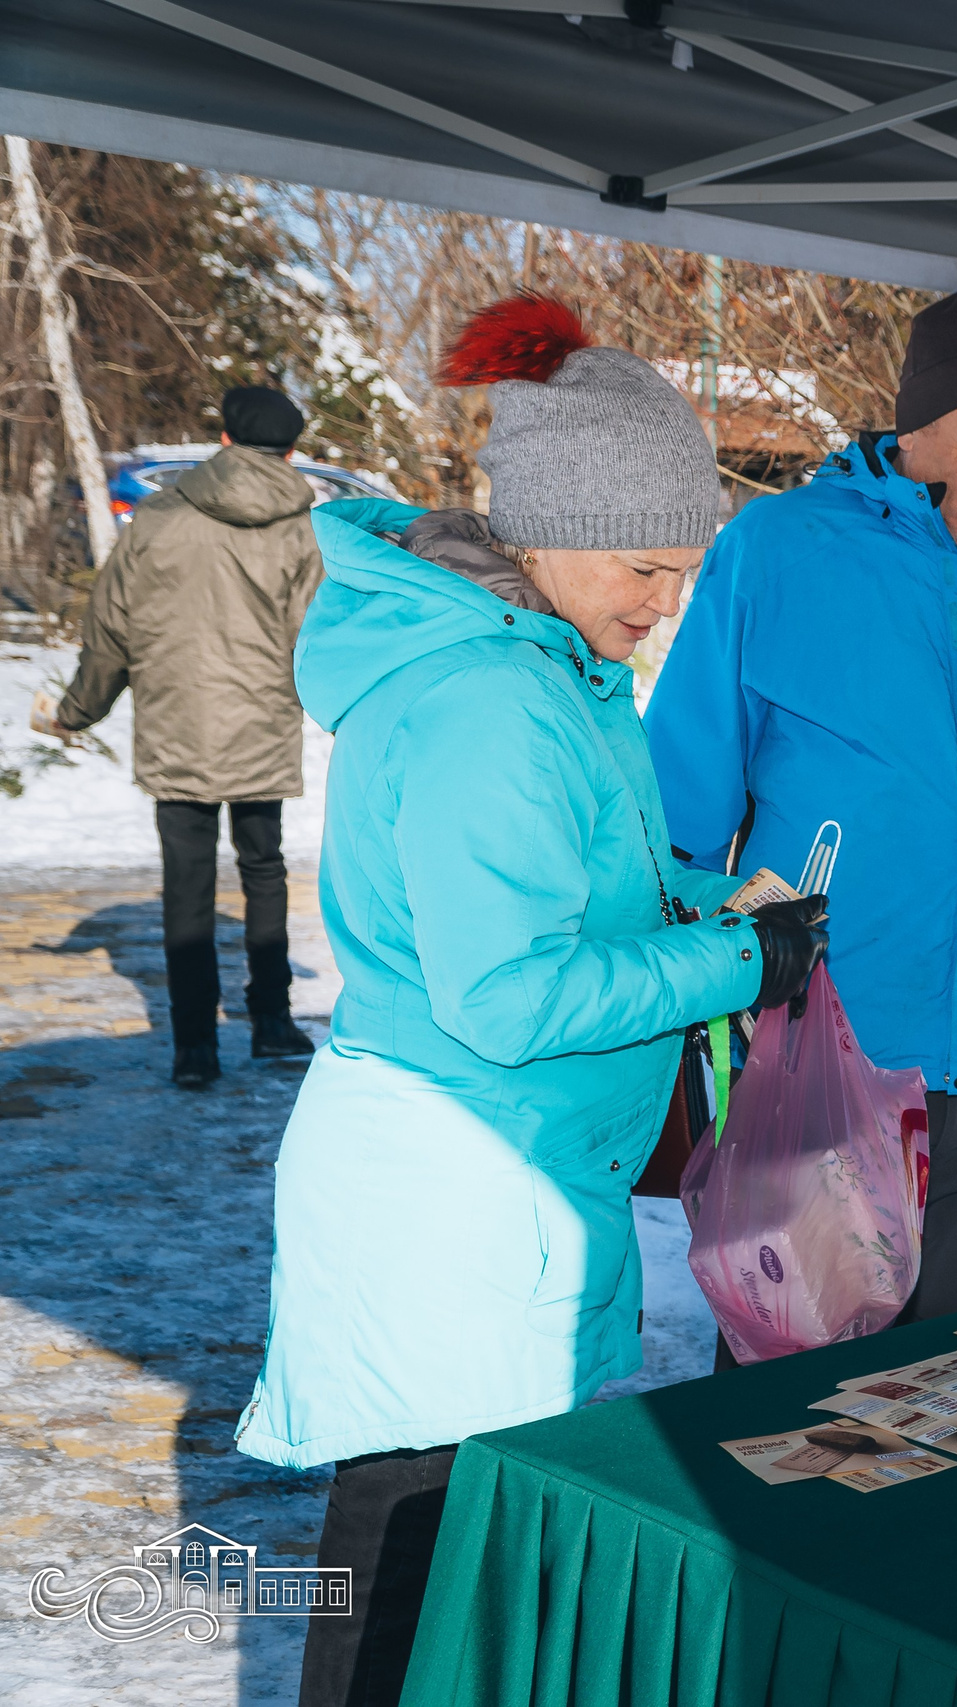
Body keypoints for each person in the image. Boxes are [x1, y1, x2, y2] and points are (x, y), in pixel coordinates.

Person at [229, 293, 827, 1707]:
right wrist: (742, 964)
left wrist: (705, 900)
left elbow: (580, 882)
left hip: (498, 1178)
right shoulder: (493, 699)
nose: (661, 602)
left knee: (453, 1561)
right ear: (543, 529)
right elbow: (507, 992)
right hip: (452, 1182)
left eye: (680, 571)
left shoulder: (553, 675)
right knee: (411, 1572)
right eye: (641, 564)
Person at [647, 286, 957, 1335]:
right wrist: (668, 995)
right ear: (914, 431)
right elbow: (680, 805)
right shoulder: (781, 553)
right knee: (796, 1380)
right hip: (823, 1047)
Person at [46, 386, 325, 1087]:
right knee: (263, 869)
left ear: (223, 440)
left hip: (176, 724)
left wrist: (78, 709)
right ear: (290, 451)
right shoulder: (302, 529)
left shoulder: (158, 516)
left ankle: (194, 1046)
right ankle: (272, 1023)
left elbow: (110, 629)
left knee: (187, 884)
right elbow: (313, 641)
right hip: (260, 724)